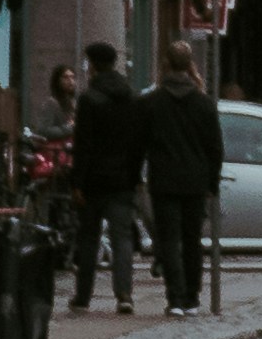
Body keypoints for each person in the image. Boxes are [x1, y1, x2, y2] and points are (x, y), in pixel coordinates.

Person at [61, 46, 149, 310]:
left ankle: (83, 296)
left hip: (93, 181)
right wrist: (134, 176)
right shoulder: (131, 98)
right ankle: (124, 295)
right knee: (122, 238)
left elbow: (83, 144)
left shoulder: (89, 100)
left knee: (88, 238)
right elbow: (138, 144)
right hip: (122, 179)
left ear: (94, 66)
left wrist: (77, 182)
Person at [145, 44, 225, 311]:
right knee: (192, 240)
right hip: (195, 181)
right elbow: (215, 147)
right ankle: (192, 297)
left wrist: (136, 175)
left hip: (164, 181)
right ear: (190, 65)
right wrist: (212, 183)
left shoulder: (153, 102)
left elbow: (140, 143)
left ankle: (175, 297)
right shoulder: (203, 103)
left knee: (169, 240)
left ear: (166, 64)